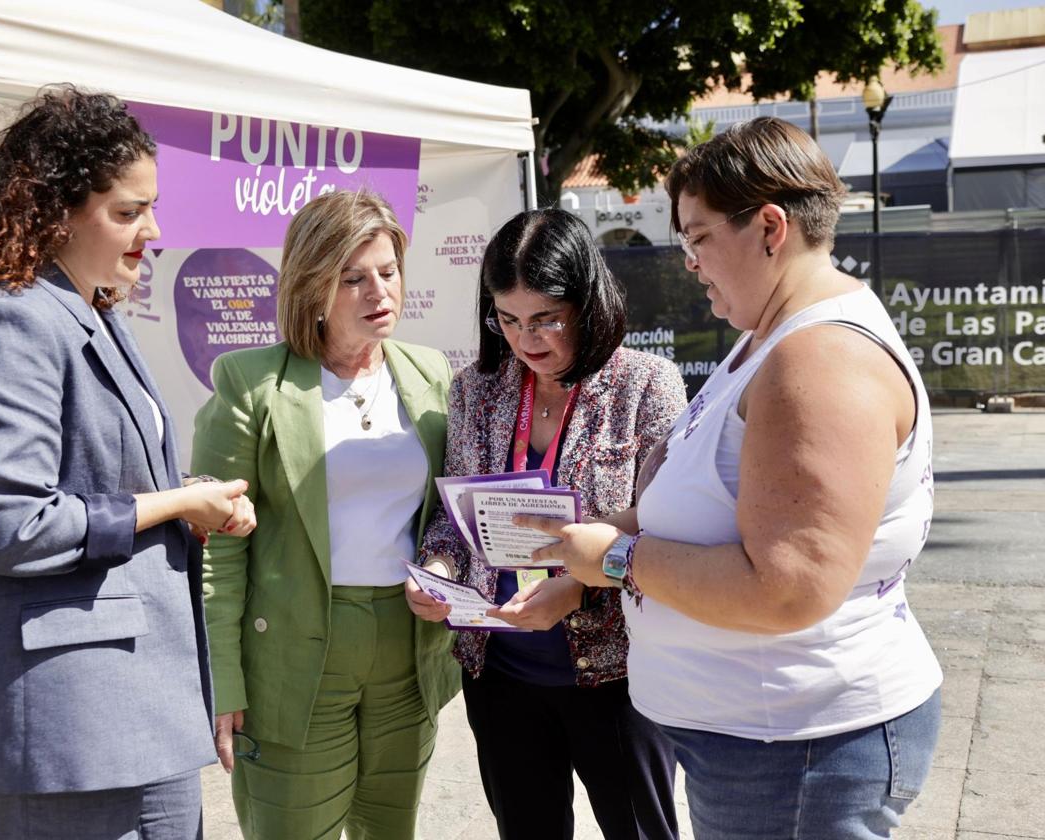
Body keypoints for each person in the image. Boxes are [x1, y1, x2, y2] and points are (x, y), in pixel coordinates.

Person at [518, 117, 944, 840]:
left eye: (698, 237)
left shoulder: (820, 360)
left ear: (770, 227)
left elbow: (788, 587)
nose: (689, 261)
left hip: (799, 750)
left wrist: (615, 560)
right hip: (770, 743)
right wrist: (592, 544)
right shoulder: (771, 336)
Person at [0, 88, 256, 839]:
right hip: (73, 727)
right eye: (127, 212)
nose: (152, 231)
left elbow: (101, 490)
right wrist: (176, 507)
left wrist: (187, 498)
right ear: (55, 210)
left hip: (135, 712)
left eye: (150, 209)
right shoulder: (10, 318)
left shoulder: (86, 310)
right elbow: (15, 525)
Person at [407, 208, 685, 840]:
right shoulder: (477, 390)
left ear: (587, 303)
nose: (525, 340)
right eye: (507, 320)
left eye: (545, 320)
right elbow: (457, 524)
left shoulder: (646, 384)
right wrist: (439, 571)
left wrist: (579, 585)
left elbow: (670, 521)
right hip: (502, 672)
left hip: (616, 670)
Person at [191, 189, 460, 840]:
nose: (379, 291)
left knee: (390, 831)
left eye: (388, 272)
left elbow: (445, 514)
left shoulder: (430, 372)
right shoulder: (249, 382)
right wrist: (222, 680)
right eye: (354, 278)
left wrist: (441, 564)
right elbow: (216, 548)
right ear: (314, 286)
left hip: (408, 653)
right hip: (292, 659)